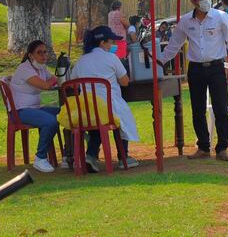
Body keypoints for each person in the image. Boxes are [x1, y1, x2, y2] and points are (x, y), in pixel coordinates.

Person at [158, 0, 228, 161]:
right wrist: (158, 62)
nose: (206, 1)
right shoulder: (186, 21)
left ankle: (222, 148)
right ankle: (203, 147)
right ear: (193, 1)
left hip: (217, 67)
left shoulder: (221, 17)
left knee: (220, 108)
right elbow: (174, 46)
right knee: (197, 109)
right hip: (195, 69)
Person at [72, 25, 140, 170]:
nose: (113, 45)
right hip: (109, 108)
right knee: (121, 119)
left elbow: (72, 84)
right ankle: (123, 157)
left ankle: (90, 155)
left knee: (97, 121)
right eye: (111, 42)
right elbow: (125, 81)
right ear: (102, 43)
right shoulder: (111, 58)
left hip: (87, 110)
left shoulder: (81, 61)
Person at [10, 40, 60, 173]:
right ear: (31, 55)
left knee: (65, 111)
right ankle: (40, 158)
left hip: (35, 108)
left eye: (45, 52)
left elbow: (53, 79)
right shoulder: (24, 69)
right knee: (50, 122)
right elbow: (46, 85)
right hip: (20, 111)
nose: (44, 56)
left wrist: (53, 80)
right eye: (39, 53)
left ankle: (69, 154)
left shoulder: (41, 67)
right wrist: (53, 80)